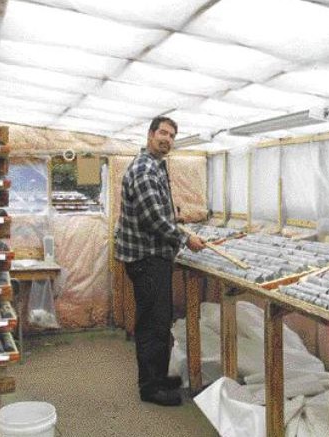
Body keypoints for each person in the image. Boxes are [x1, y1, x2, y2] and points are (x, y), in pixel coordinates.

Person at [115, 116, 206, 407]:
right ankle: (150, 387)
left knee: (159, 319)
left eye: (171, 135)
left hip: (152, 256)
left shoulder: (155, 165)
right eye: (162, 133)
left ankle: (158, 375)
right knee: (153, 323)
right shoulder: (144, 169)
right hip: (147, 257)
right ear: (150, 134)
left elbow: (158, 210)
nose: (167, 138)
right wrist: (185, 239)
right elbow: (152, 218)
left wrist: (174, 218)